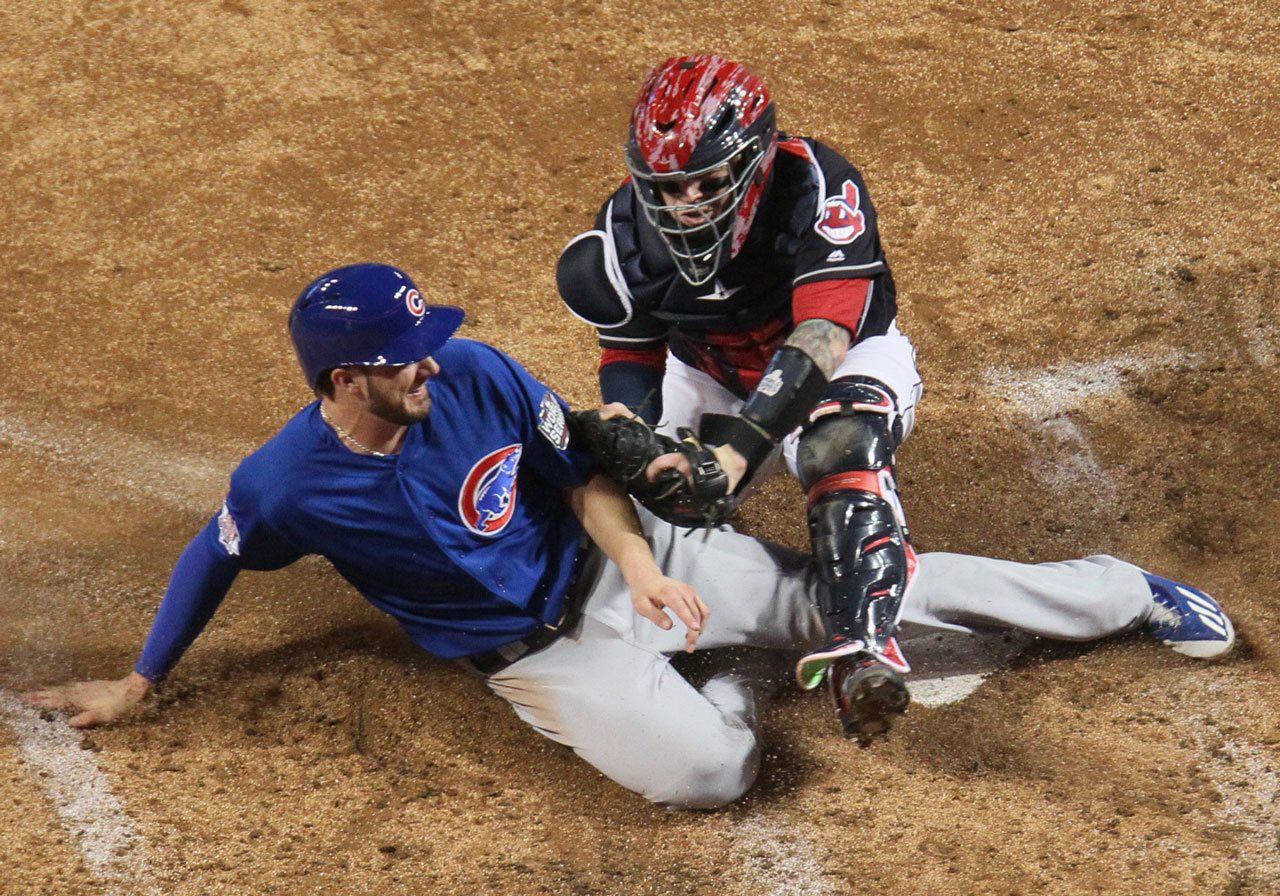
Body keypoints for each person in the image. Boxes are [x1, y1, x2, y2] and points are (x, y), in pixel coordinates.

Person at [23, 263, 1235, 810]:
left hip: (627, 556)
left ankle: (1118, 590)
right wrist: (140, 680)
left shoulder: (477, 375)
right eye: (407, 350)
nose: (433, 355)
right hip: (539, 655)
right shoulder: (286, 482)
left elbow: (577, 477)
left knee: (853, 587)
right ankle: (717, 688)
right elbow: (215, 551)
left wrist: (649, 563)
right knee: (711, 775)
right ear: (349, 378)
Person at [556, 53, 929, 738]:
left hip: (843, 357)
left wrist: (739, 452)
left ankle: (862, 648)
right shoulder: (619, 241)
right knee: (653, 493)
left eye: (705, 181)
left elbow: (824, 332)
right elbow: (631, 352)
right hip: (712, 374)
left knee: (835, 447)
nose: (686, 203)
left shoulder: (817, 185)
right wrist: (636, 433)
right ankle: (677, 633)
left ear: (755, 161)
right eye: (668, 188)